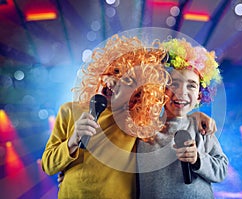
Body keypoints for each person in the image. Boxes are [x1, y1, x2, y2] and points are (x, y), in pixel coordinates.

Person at [41, 35, 217, 199]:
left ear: (138, 93)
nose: (114, 81)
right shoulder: (69, 111)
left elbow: (173, 118)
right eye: (114, 71)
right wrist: (72, 141)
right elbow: (48, 165)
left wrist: (194, 116)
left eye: (129, 80)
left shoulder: (139, 122)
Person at [137, 39, 228, 199]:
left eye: (191, 85)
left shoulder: (202, 129)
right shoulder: (143, 127)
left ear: (200, 95)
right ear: (158, 87)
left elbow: (222, 170)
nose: (181, 92)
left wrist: (198, 158)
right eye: (173, 83)